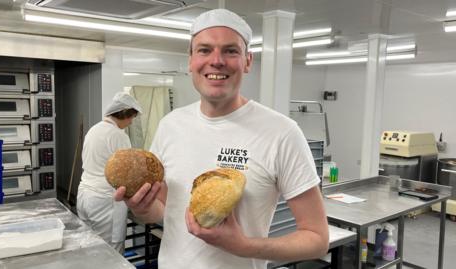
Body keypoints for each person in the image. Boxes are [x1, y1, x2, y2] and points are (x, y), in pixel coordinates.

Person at [115, 8, 329, 269]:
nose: (216, 61)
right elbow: (164, 209)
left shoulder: (282, 133)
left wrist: (243, 246)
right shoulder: (171, 125)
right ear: (191, 60)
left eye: (230, 50)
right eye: (204, 50)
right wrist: (142, 209)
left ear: (248, 61)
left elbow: (317, 239)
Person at [77, 92, 142, 254]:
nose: (131, 122)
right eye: (131, 118)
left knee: (89, 246)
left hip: (85, 195)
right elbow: (129, 172)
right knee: (110, 252)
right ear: (125, 115)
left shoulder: (94, 129)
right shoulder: (118, 135)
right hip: (105, 200)